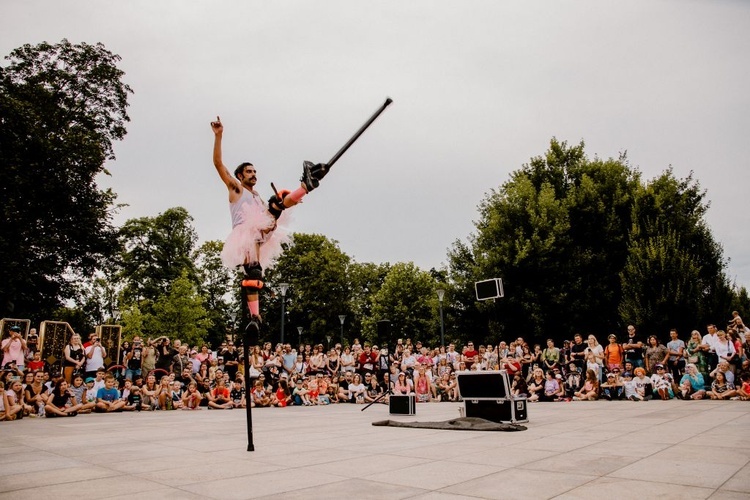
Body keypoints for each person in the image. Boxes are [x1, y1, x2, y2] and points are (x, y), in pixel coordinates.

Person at [211, 116, 316, 328]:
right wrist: (219, 136)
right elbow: (218, 164)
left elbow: (274, 209)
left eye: (255, 171)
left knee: (277, 204)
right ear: (240, 175)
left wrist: (287, 200)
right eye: (249, 171)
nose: (253, 174)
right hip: (246, 235)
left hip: (263, 231)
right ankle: (255, 316)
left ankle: (306, 186)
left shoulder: (257, 195)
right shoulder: (236, 189)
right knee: (254, 273)